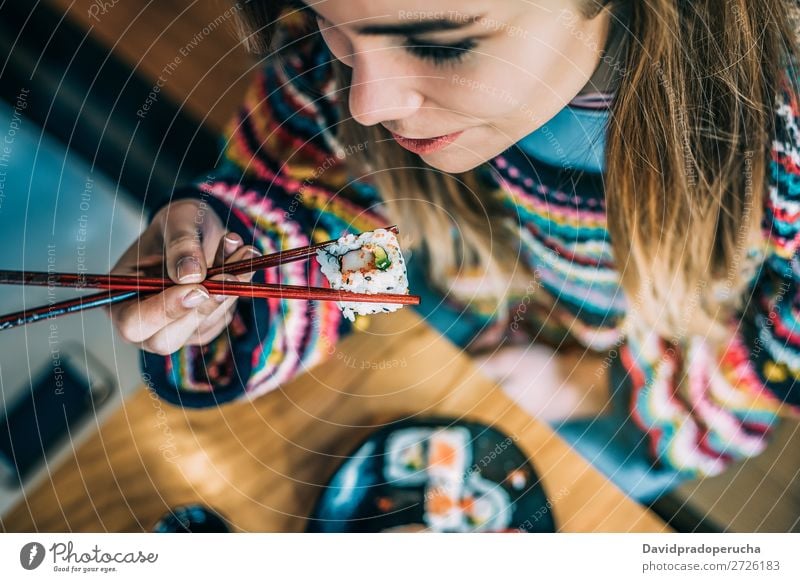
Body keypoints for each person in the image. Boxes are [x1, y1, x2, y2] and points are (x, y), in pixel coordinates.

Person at [109, 0, 800, 503]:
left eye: (441, 44)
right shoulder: (360, 70)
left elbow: (778, 357)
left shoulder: (781, 128)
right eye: (331, 25)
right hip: (448, 310)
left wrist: (594, 386)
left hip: (649, 396)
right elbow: (361, 245)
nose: (368, 103)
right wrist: (241, 287)